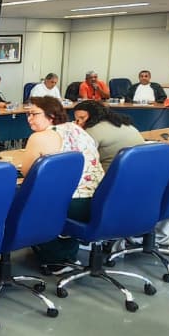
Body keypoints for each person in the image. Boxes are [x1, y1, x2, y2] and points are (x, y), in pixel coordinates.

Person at [16, 97, 104, 272]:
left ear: (51, 115)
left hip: (71, 203)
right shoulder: (76, 129)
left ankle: (53, 258)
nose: (29, 119)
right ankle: (67, 254)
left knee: (20, 196)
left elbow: (27, 171)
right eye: (27, 114)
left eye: (34, 114)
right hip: (97, 199)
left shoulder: (39, 137)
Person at [72, 101, 145, 168]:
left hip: (112, 175)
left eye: (82, 118)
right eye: (77, 119)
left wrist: (77, 132)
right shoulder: (125, 124)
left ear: (93, 115)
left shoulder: (91, 131)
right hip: (140, 171)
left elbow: (81, 158)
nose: (79, 122)